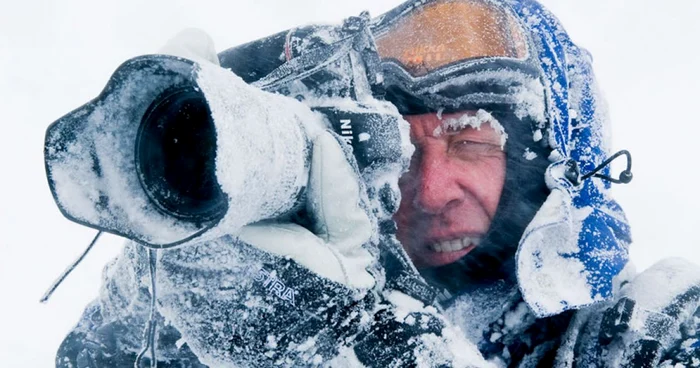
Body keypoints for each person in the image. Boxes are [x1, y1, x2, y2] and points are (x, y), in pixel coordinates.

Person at [52, 0, 700, 367]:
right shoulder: (289, 286)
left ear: (549, 165)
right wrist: (164, 298)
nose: (432, 186)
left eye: (471, 140)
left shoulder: (645, 334)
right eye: (404, 149)